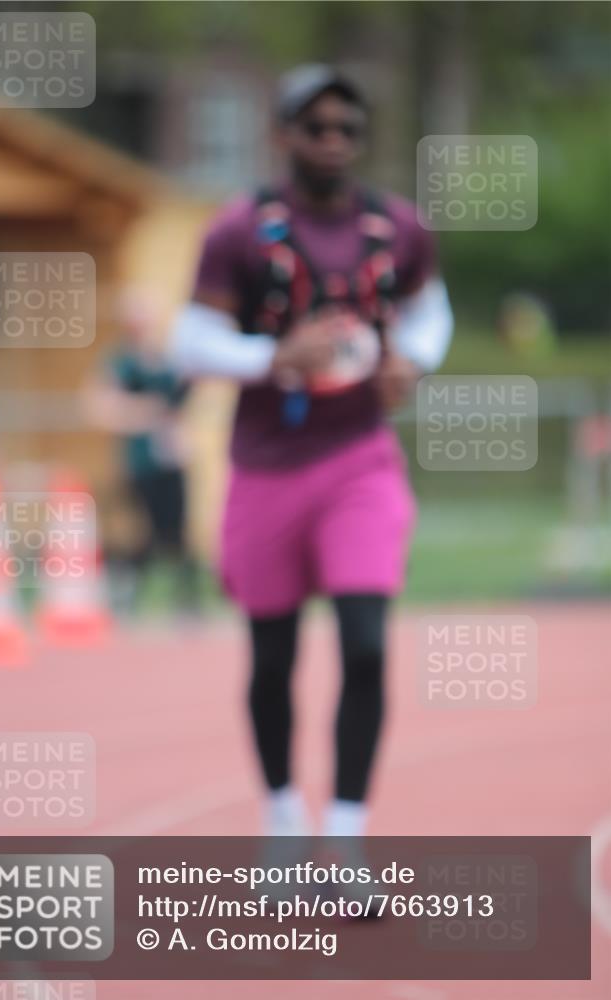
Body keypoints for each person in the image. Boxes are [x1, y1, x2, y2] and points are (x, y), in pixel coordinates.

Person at [169, 65, 454, 838]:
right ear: (283, 134)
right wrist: (272, 357)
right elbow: (189, 342)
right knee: (272, 661)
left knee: (364, 647)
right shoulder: (237, 231)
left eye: (347, 130)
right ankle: (285, 823)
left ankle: (346, 836)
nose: (332, 142)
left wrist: (413, 361)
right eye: (316, 127)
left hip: (358, 460)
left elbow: (431, 312)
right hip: (265, 467)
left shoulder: (395, 227)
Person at [85, 288, 198, 612]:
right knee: (148, 530)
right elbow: (101, 405)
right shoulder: (121, 361)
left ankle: (187, 599)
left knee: (178, 529)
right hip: (141, 458)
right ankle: (127, 586)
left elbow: (183, 400)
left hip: (172, 455)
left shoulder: (169, 358)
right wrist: (144, 413)